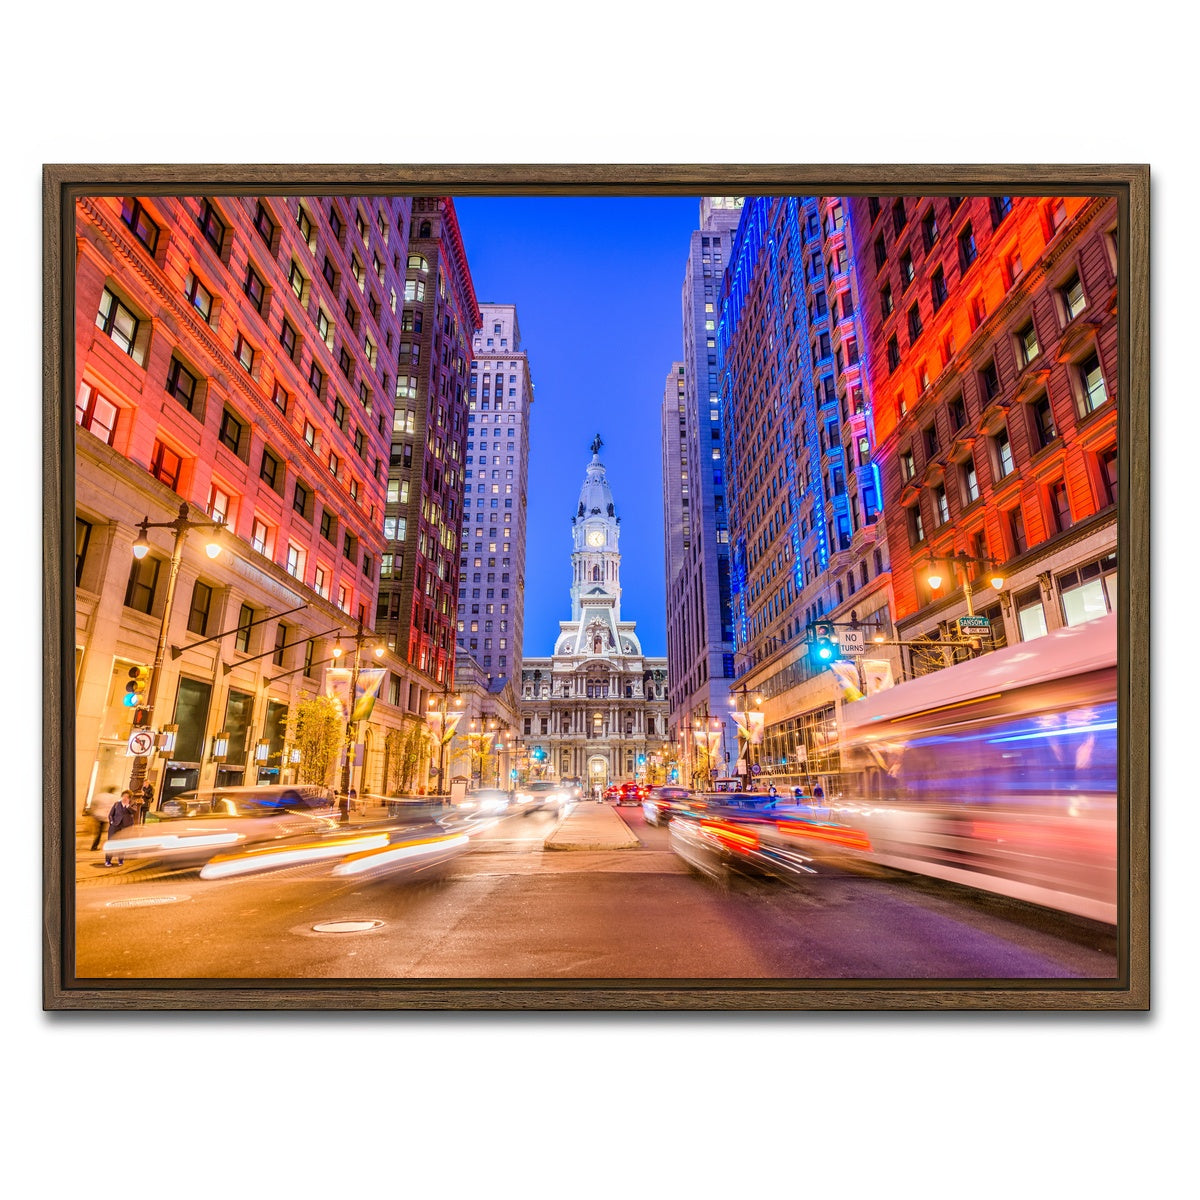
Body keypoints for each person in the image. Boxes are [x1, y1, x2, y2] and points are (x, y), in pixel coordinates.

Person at [104, 790, 136, 866]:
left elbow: (134, 812)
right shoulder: (116, 804)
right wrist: (111, 822)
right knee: (111, 843)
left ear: (130, 798)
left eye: (127, 797)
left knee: (123, 844)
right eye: (124, 796)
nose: (125, 798)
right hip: (115, 826)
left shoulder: (132, 804)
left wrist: (128, 806)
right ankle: (108, 860)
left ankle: (120, 860)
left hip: (125, 826)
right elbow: (110, 815)